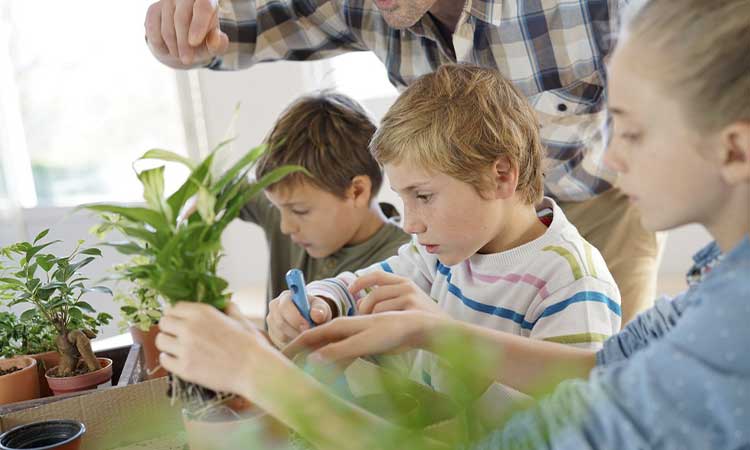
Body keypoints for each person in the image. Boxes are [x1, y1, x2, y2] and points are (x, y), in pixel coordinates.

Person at [155, 0, 750, 448]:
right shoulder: (711, 288)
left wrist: (255, 372)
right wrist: (427, 331)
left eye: (634, 130)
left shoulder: (709, 331)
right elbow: (606, 369)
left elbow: (531, 435)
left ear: (735, 149)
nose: (612, 156)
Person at [144, 0, 659, 323]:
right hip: (463, 218)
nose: (406, 222)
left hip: (604, 199)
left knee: (615, 381)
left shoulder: (579, 8)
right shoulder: (430, 246)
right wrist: (178, 30)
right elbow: (233, 24)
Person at [238, 92, 410, 321]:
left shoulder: (407, 261)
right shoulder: (289, 203)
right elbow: (219, 187)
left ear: (357, 191)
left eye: (300, 211)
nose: (285, 227)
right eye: (276, 208)